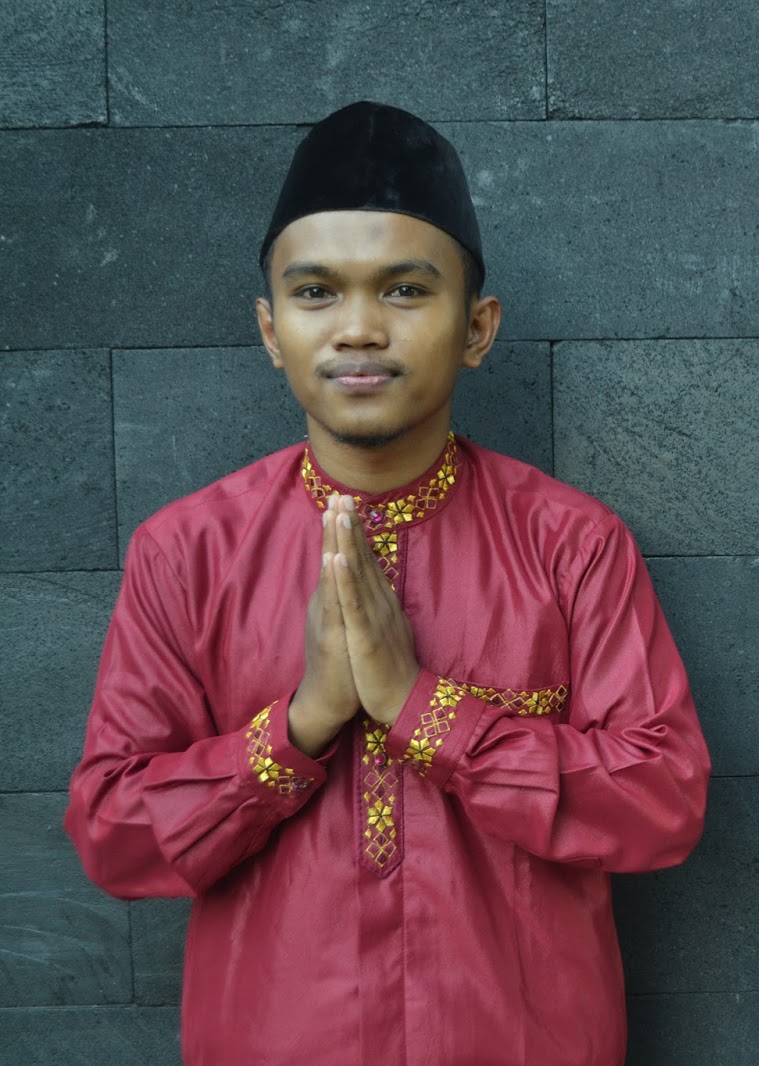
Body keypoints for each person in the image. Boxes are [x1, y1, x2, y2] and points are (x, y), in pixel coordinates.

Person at [64, 101, 710, 1066]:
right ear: (271, 330)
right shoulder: (186, 552)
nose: (359, 328)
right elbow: (114, 834)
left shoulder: (571, 544)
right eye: (316, 293)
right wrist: (300, 725)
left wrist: (425, 710)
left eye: (406, 290)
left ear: (477, 327)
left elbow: (662, 802)